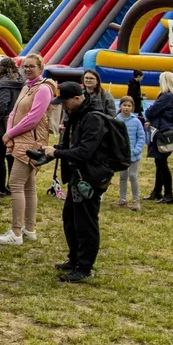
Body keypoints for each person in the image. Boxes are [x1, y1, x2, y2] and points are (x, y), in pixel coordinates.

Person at [41, 81, 114, 283]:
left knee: (86, 223)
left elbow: (84, 151)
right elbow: (72, 145)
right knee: (71, 218)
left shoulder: (93, 119)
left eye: (65, 101)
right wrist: (50, 151)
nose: (62, 105)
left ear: (77, 98)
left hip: (91, 176)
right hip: (78, 174)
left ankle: (85, 267)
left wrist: (57, 152)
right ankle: (74, 259)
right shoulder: (77, 115)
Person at [0, 54, 54, 246]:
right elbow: (14, 111)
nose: (27, 69)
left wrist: (10, 133)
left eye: (31, 66)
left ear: (40, 67)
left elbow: (33, 118)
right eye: (25, 66)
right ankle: (30, 228)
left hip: (30, 143)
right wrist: (10, 130)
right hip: (21, 140)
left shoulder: (43, 89)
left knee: (16, 184)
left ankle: (16, 232)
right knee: (29, 186)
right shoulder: (27, 86)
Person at [144, 71, 173, 205]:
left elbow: (150, 111)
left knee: (161, 164)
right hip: (169, 131)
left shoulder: (166, 97)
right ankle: (157, 191)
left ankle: (168, 194)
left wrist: (150, 113)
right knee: (160, 163)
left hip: (161, 132)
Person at [0, 60, 23, 198]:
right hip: (17, 125)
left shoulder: (3, 85)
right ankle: (12, 186)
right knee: (11, 158)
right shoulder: (22, 84)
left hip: (2, 128)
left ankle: (0, 188)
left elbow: (1, 106)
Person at [112, 95, 146, 210]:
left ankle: (136, 200)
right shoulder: (116, 120)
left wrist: (136, 150)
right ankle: (122, 199)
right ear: (120, 106)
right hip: (121, 155)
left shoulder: (136, 121)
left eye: (129, 106)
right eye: (124, 105)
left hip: (134, 155)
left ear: (132, 107)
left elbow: (141, 137)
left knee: (133, 176)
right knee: (122, 176)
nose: (126, 108)